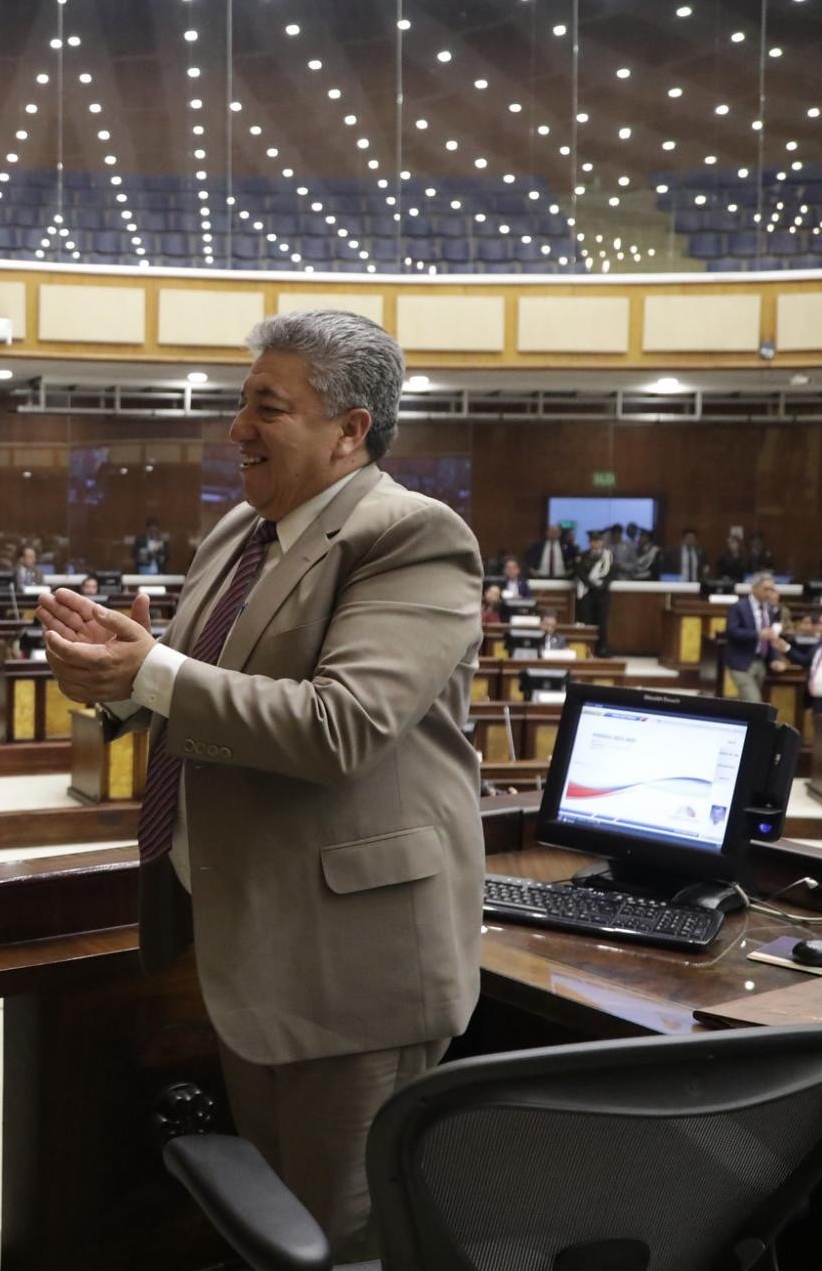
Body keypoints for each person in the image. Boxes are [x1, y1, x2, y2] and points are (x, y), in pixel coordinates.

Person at [34, 309, 481, 1259]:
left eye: (266, 407)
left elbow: (340, 726)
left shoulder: (411, 535)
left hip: (354, 971)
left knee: (338, 1242)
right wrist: (117, 684)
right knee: (274, 1231)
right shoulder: (242, 529)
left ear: (350, 429)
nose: (236, 428)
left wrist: (152, 671)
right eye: (242, 403)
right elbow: (204, 703)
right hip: (250, 944)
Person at [724, 572, 786, 704]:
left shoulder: (769, 609)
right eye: (766, 589)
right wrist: (757, 634)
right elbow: (732, 632)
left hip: (761, 662)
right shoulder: (739, 607)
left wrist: (774, 659)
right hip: (741, 662)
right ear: (754, 588)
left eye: (772, 589)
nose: (769, 593)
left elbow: (771, 637)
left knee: (745, 704)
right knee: (754, 702)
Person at [574, 528, 614, 656]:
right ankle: (587, 649)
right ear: (590, 542)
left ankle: (601, 649)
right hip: (587, 593)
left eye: (598, 541)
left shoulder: (609, 556)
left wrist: (601, 586)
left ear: (602, 542)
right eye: (593, 541)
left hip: (602, 594)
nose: (595, 543)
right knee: (587, 622)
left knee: (602, 623)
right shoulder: (582, 555)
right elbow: (581, 573)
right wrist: (592, 585)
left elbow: (610, 574)